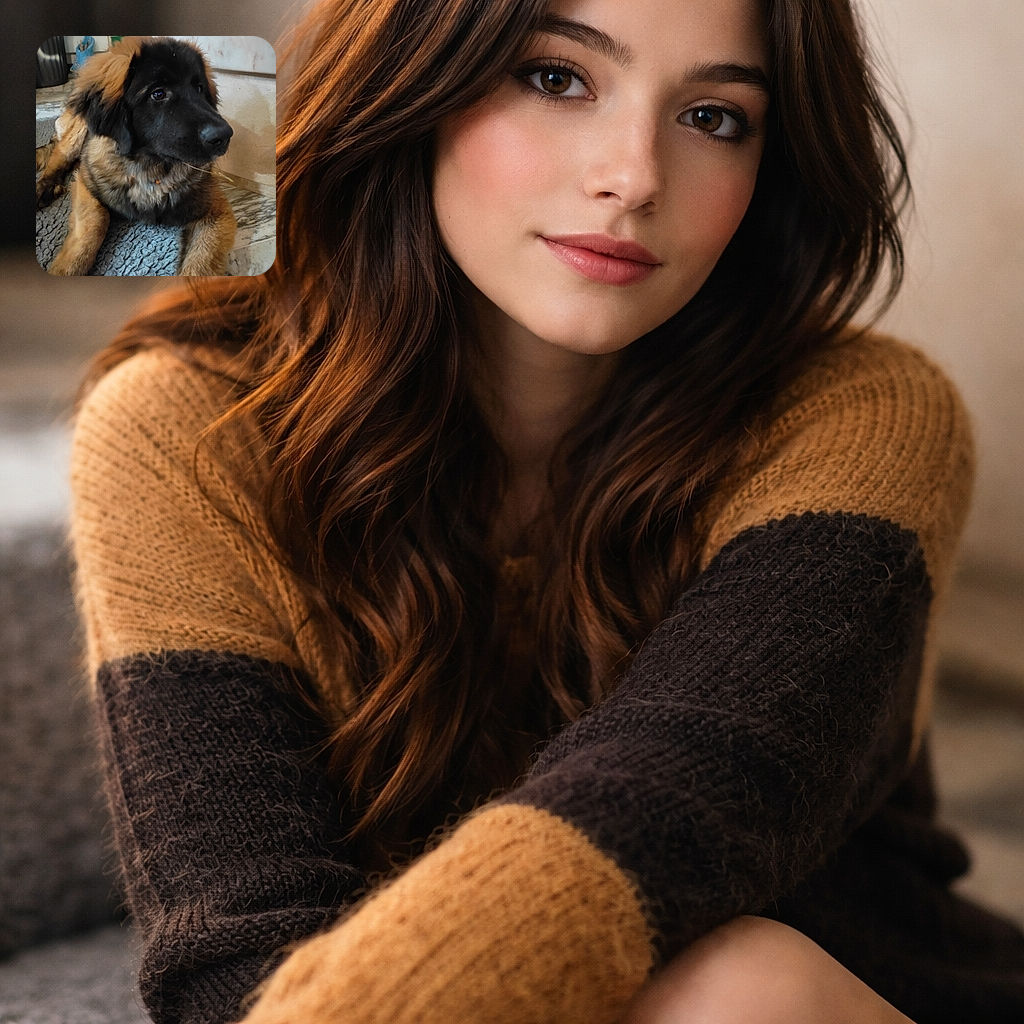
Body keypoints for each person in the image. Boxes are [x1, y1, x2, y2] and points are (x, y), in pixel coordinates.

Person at [69, 0, 1024, 1022]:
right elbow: (234, 959)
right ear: (412, 82)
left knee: (737, 988)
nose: (635, 176)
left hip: (850, 983)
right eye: (557, 79)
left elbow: (670, 803)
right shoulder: (181, 426)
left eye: (714, 118)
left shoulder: (865, 416)